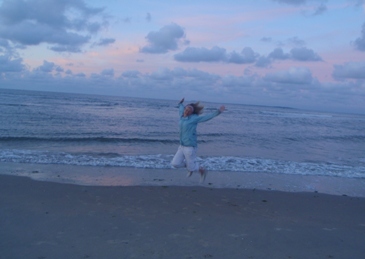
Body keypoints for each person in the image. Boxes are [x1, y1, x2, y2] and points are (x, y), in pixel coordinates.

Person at [171, 98, 225, 182]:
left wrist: (218, 112)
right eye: (186, 109)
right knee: (175, 164)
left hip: (190, 147)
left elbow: (207, 117)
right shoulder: (181, 115)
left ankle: (202, 171)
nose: (187, 111)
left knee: (191, 167)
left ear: (192, 112)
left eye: (189, 110)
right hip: (181, 146)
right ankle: (190, 167)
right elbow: (181, 108)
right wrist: (180, 103)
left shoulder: (194, 118)